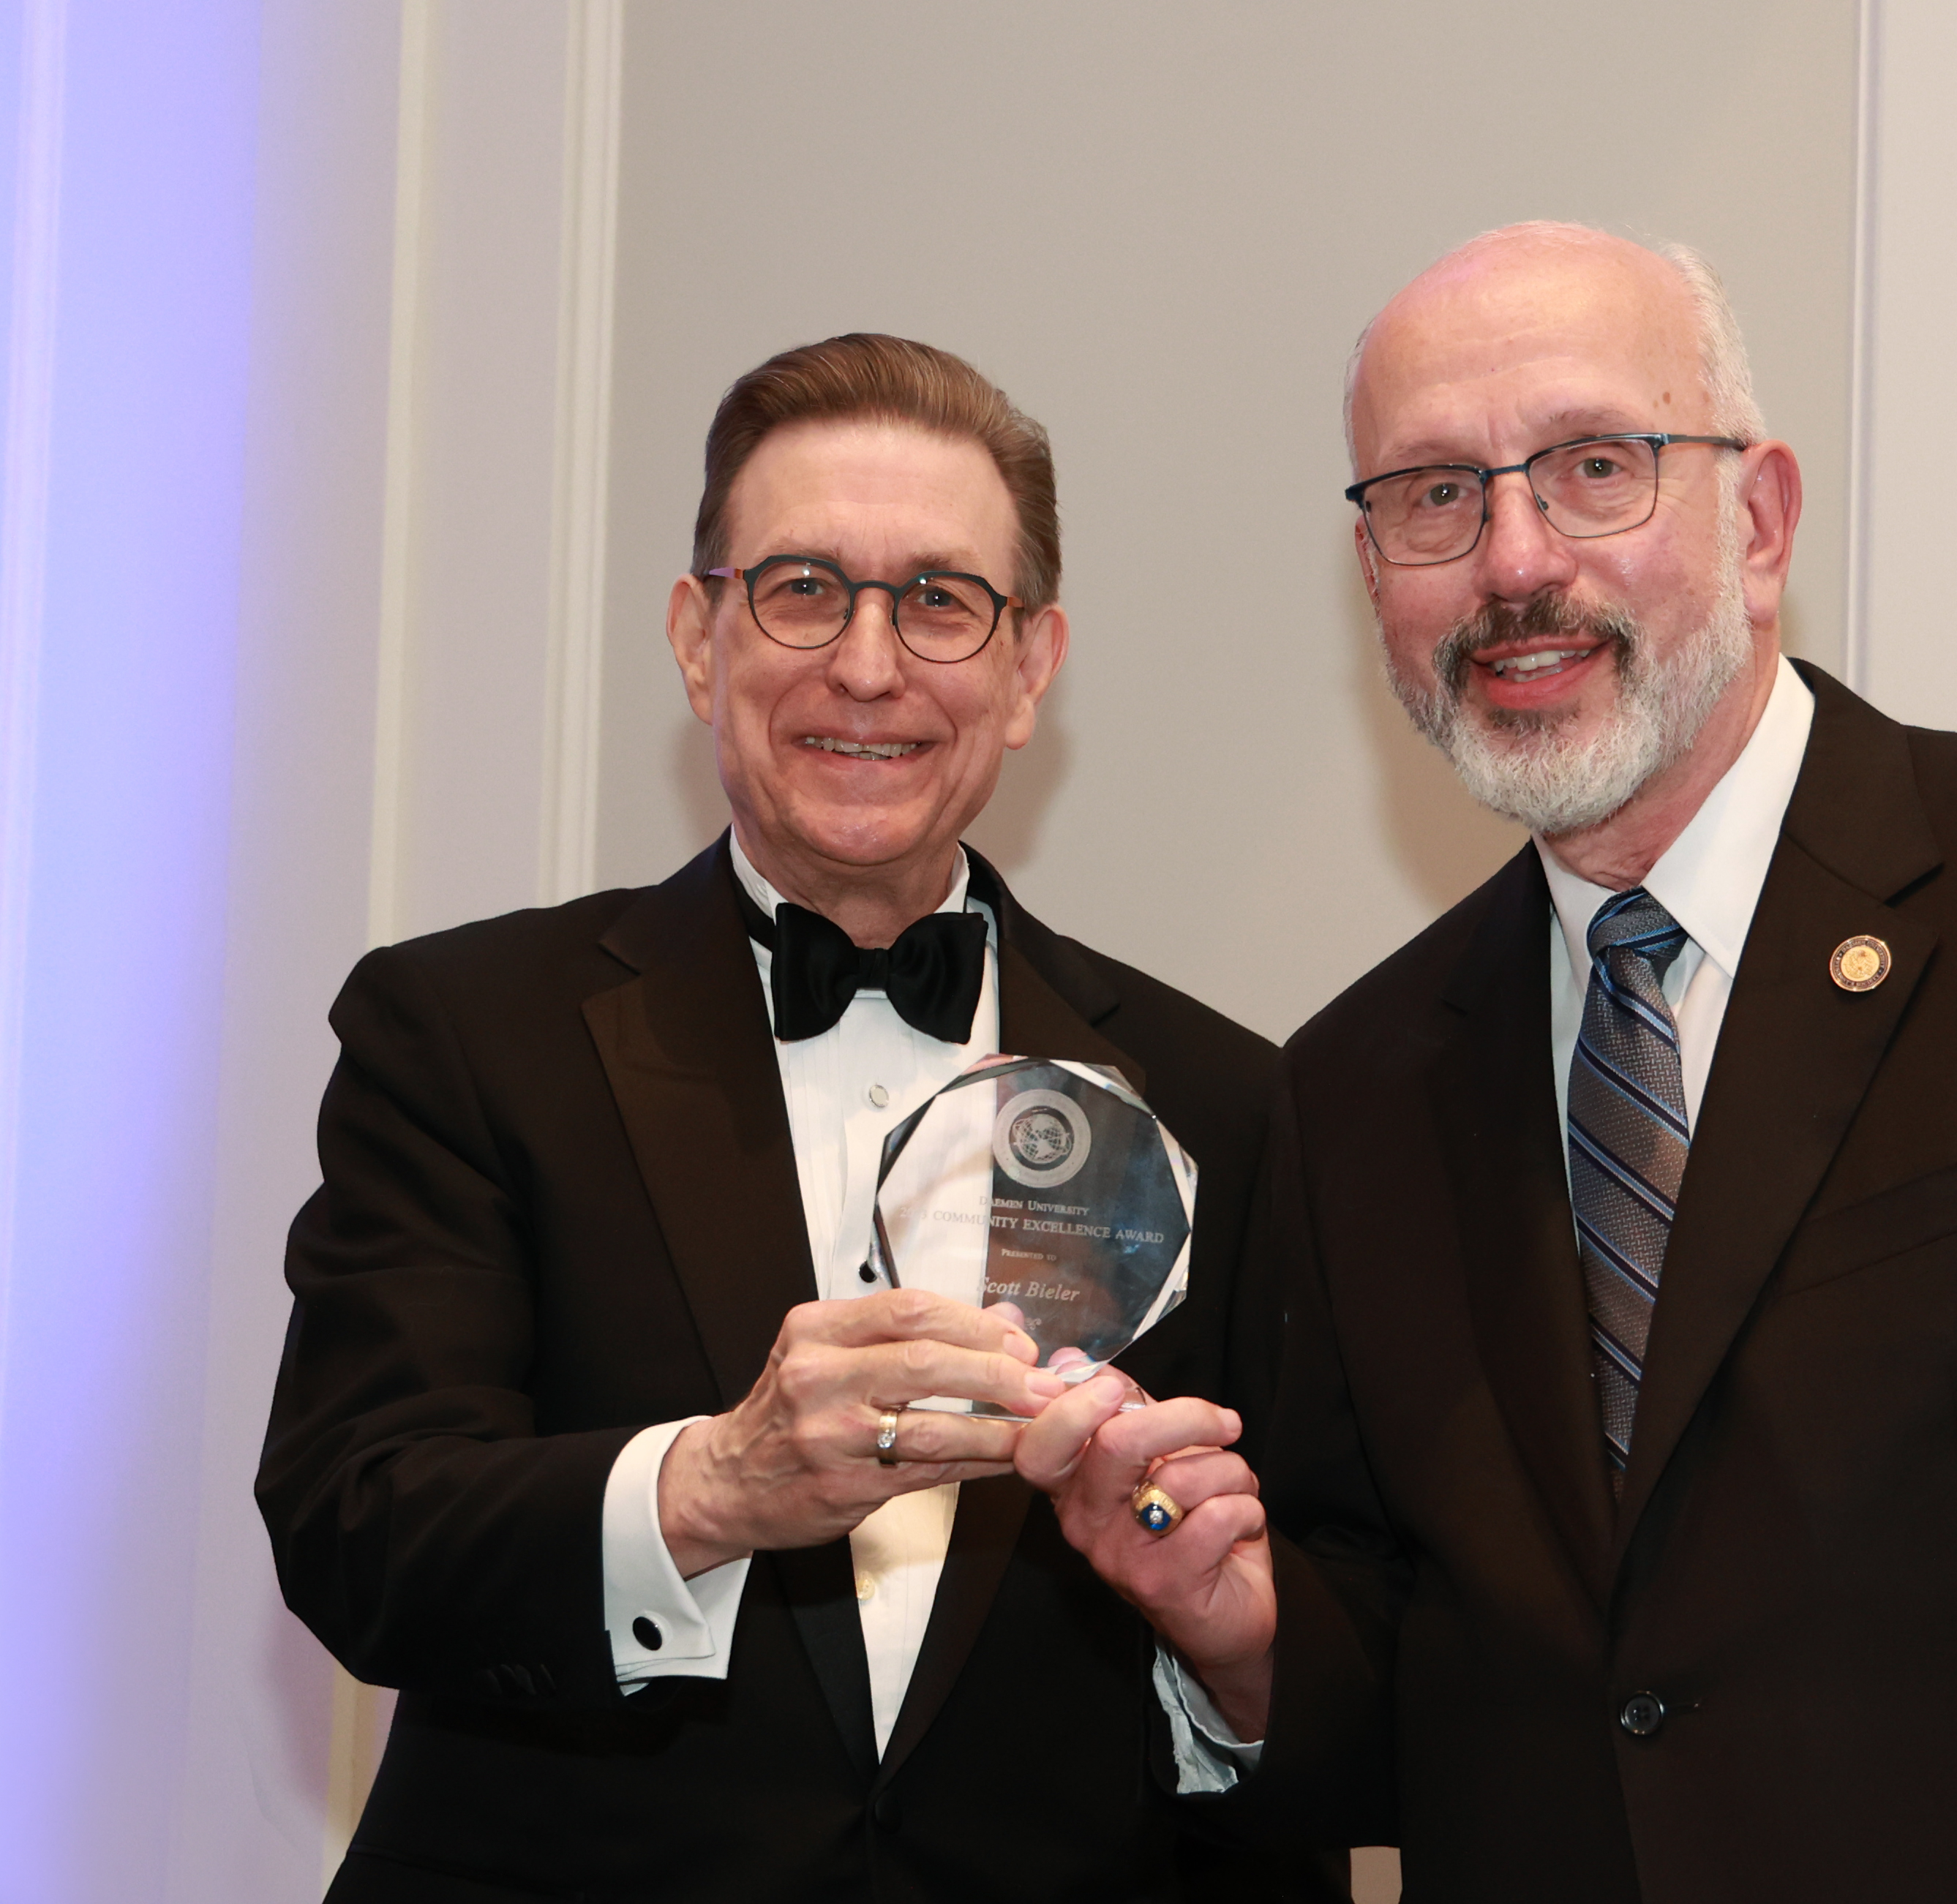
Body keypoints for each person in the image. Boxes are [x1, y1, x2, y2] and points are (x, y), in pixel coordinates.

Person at [1021, 225, 1957, 1900]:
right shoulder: (1354, 1083)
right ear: (1373, 582)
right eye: (1431, 494)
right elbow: (1432, 1704)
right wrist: (1237, 1635)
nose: (1509, 560)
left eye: (1593, 468)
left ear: (1758, 520)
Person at [260, 334, 1337, 1902]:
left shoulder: (1226, 1097)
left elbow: (1298, 1675)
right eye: (804, 588)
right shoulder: (467, 1034)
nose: (869, 664)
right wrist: (711, 1484)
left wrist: (1225, 1646)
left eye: (940, 600)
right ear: (699, 640)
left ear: (1030, 667)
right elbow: (358, 1527)